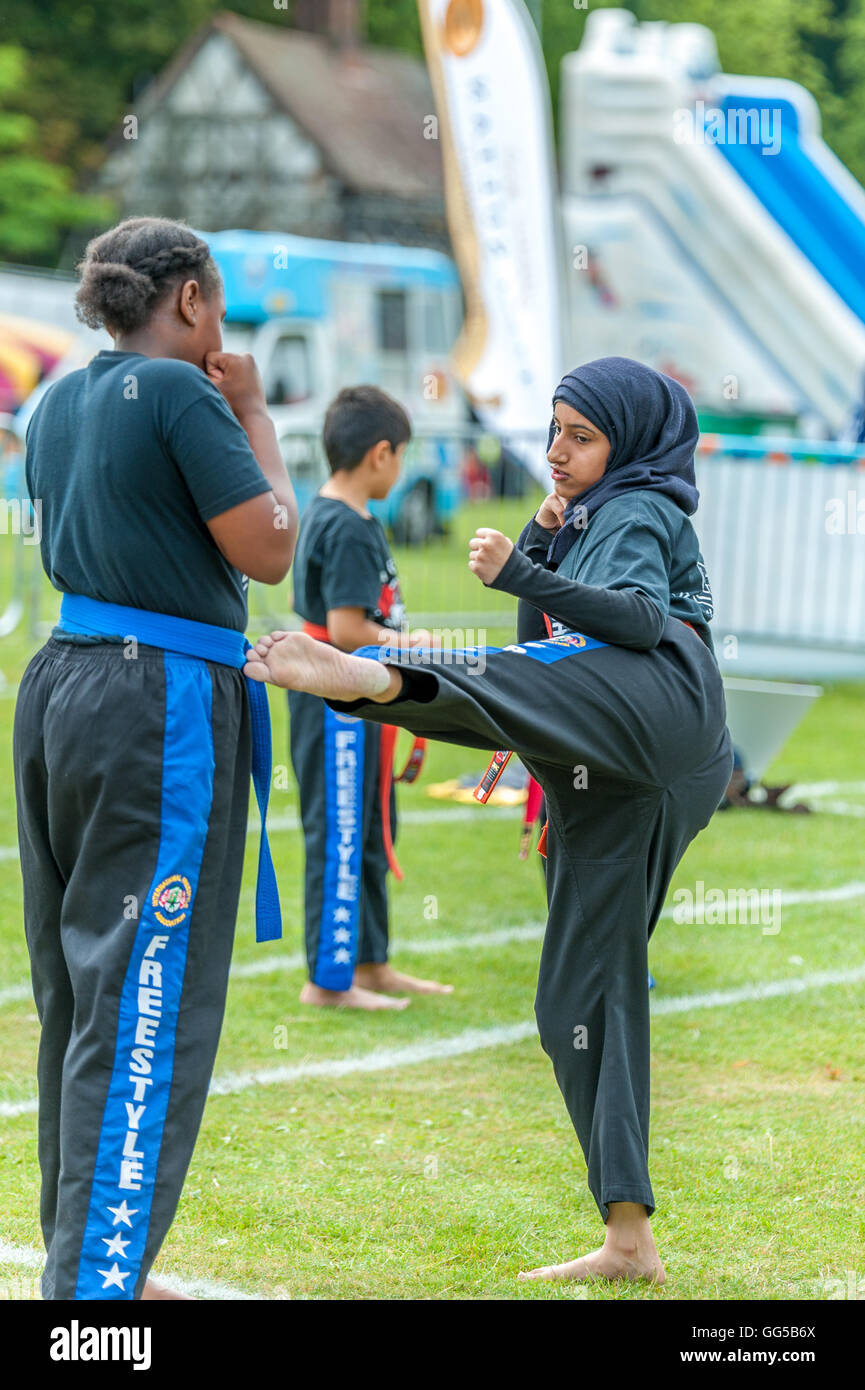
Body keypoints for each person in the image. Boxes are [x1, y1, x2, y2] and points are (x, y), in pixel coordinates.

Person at [244, 357, 733, 1285]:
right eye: (552, 430)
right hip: (621, 765)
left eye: (579, 436)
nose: (554, 451)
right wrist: (540, 550)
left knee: (498, 681)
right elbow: (538, 642)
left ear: (627, 442)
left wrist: (520, 566)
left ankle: (376, 680)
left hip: (655, 708)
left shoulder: (635, 510)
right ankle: (628, 1237)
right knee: (577, 1006)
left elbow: (629, 620)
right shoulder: (586, 516)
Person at [13, 216, 297, 1301]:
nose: (220, 326)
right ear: (188, 301)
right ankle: (92, 1294)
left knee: (83, 991)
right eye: (216, 303)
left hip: (65, 682)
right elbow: (271, 545)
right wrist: (257, 412)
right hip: (157, 698)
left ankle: (92, 1257)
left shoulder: (59, 398)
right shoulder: (183, 392)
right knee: (145, 996)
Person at [289, 385, 452, 1010]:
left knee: (370, 826)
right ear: (381, 454)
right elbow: (348, 628)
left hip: (355, 700)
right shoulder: (346, 526)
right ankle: (328, 981)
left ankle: (371, 962)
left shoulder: (341, 514)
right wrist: (412, 644)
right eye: (402, 455)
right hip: (336, 701)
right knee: (339, 829)